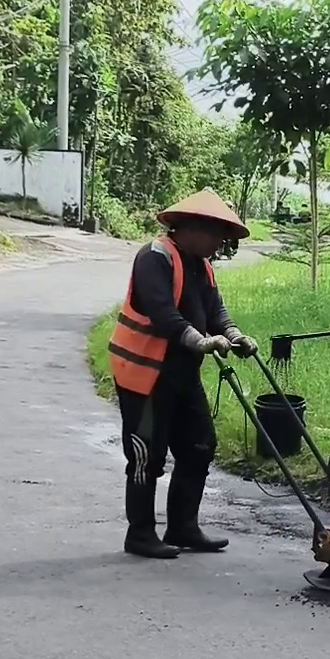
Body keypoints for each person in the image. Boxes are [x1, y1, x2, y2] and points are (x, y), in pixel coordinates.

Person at [106, 189, 258, 560]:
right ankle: (140, 533)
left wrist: (235, 335)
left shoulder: (201, 266)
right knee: (147, 455)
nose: (220, 243)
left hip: (181, 374)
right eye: (216, 235)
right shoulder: (155, 257)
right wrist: (200, 341)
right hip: (144, 373)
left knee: (199, 446)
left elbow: (215, 310)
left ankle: (183, 526)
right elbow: (162, 313)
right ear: (192, 228)